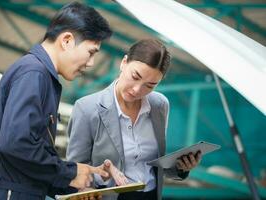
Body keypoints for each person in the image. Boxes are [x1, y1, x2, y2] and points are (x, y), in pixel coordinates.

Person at [0, 2, 112, 200]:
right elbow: (17, 144)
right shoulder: (34, 73)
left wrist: (73, 187)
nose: (91, 64)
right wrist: (70, 173)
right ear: (67, 40)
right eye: (91, 52)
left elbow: (27, 161)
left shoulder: (41, 76)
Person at [66, 39, 202, 200]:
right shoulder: (87, 108)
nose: (137, 89)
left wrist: (181, 167)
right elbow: (75, 170)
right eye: (135, 76)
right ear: (124, 63)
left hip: (150, 195)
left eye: (150, 85)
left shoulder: (160, 105)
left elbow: (152, 166)